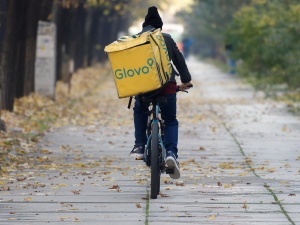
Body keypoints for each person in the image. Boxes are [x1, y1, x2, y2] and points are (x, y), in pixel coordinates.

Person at [130, 6, 192, 179]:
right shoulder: (165, 38)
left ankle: (140, 145)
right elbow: (179, 61)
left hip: (144, 88)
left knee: (140, 109)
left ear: (144, 26)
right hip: (167, 86)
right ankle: (171, 152)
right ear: (159, 27)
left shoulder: (135, 40)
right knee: (170, 120)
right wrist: (185, 80)